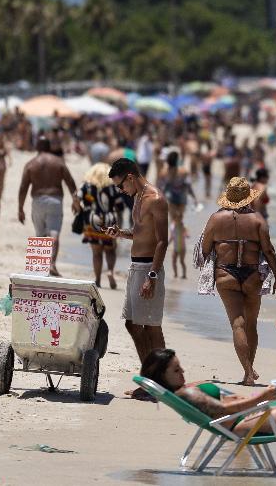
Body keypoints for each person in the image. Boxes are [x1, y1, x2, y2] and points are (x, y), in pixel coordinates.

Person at [140, 349, 276, 478]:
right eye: (176, 370)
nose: (182, 372)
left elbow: (219, 407)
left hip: (241, 419)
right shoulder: (188, 394)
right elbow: (224, 410)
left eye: (181, 367)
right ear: (162, 375)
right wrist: (262, 397)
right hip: (243, 423)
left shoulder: (179, 391)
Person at [196, 177, 276, 386]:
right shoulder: (257, 220)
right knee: (251, 324)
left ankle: (248, 371)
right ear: (247, 197)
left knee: (238, 324)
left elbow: (205, 249)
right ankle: (247, 374)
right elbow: (269, 251)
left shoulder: (216, 219)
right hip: (252, 274)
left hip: (225, 275)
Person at [105, 158, 170, 400]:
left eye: (120, 186)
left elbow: (163, 240)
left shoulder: (156, 199)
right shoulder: (137, 198)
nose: (121, 191)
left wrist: (152, 275)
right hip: (136, 267)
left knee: (152, 326)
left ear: (130, 177)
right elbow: (142, 233)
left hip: (149, 268)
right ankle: (151, 379)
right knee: (133, 323)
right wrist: (121, 233)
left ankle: (160, 383)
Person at [18, 137, 81, 276]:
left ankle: (40, 267)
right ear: (49, 147)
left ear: (37, 147)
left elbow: (23, 188)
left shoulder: (31, 164)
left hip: (38, 201)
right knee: (54, 232)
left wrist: (20, 208)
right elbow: (71, 183)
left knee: (40, 234)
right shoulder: (58, 162)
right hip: (55, 200)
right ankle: (52, 264)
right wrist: (76, 201)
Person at [78, 163, 124, 289]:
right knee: (110, 249)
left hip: (92, 222)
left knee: (96, 253)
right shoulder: (112, 187)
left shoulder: (87, 186)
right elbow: (120, 206)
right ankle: (110, 271)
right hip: (109, 221)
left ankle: (97, 279)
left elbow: (78, 198)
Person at [158, 152, 197, 279]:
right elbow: (161, 189)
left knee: (178, 220)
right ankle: (176, 242)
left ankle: (177, 241)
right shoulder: (169, 172)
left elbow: (187, 185)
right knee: (175, 219)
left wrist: (194, 196)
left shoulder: (178, 172)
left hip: (179, 198)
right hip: (175, 198)